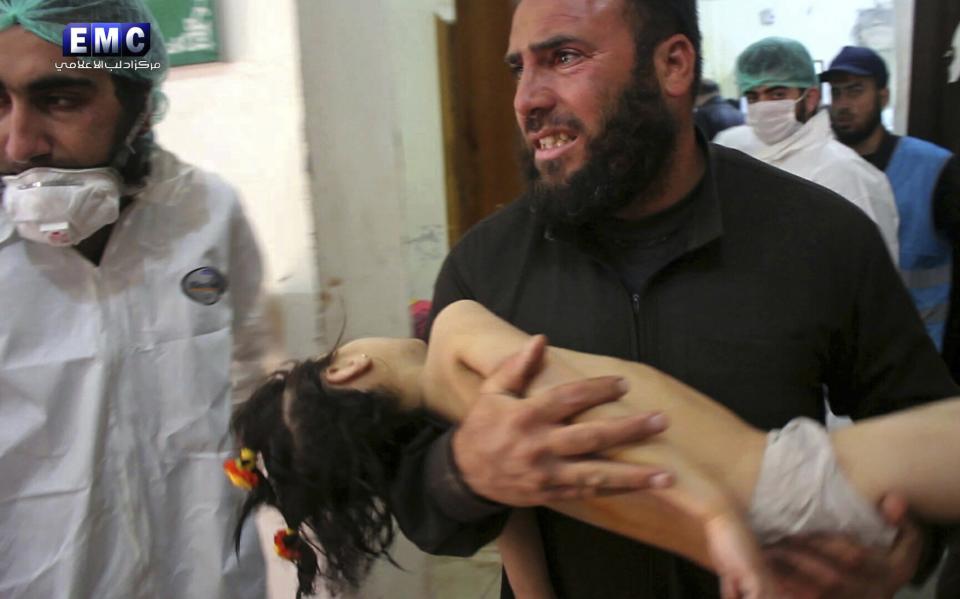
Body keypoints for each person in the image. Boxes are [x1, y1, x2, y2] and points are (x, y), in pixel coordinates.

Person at [386, 1, 959, 598]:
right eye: (518, 69)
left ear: (674, 65)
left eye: (564, 57)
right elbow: (422, 513)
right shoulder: (485, 270)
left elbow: (930, 437)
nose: (527, 98)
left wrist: (903, 552)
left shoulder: (822, 238)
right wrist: (466, 471)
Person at [228, 299, 960, 599]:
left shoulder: (490, 452)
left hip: (777, 544)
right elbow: (591, 408)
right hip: (787, 480)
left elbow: (529, 577)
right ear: (348, 368)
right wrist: (713, 514)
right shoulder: (456, 335)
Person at [0, 1, 267, 597]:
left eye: (60, 99)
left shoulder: (204, 214)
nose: (20, 142)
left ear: (139, 106)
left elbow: (251, 385)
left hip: (206, 577)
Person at [821, 46, 960, 355]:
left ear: (883, 96)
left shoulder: (933, 168)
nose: (842, 105)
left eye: (856, 91)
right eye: (837, 93)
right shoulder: (823, 168)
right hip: (847, 355)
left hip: (922, 353)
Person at [714, 37, 900, 264]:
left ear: (810, 99)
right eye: (753, 97)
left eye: (777, 94)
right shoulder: (731, 148)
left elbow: (875, 280)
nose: (763, 106)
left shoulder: (849, 177)